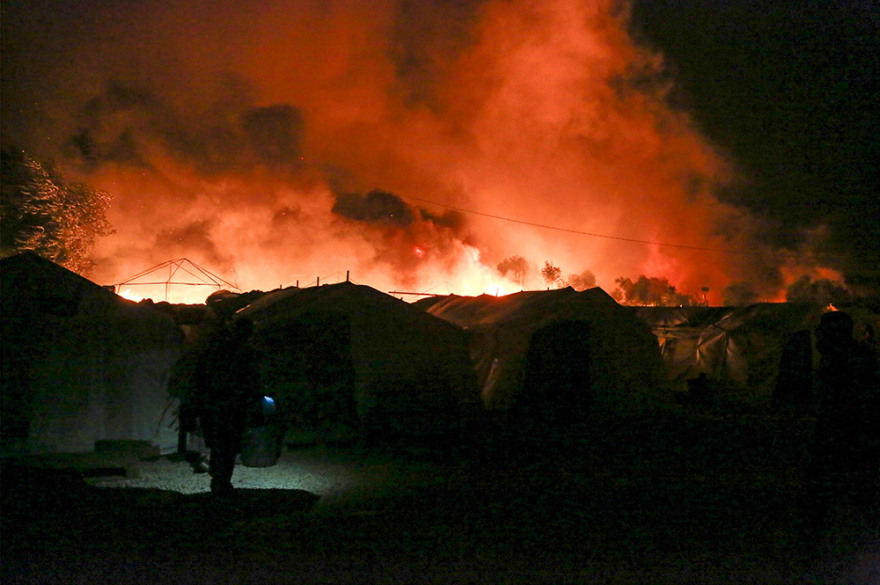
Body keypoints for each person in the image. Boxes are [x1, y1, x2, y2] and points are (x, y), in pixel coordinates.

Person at [802, 311, 879, 532]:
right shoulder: (852, 357)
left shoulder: (845, 361)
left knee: (829, 491)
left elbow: (850, 403)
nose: (817, 337)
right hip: (848, 437)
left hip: (845, 437)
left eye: (822, 332)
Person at [193, 316, 262, 496]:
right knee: (228, 444)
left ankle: (219, 477)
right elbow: (251, 379)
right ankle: (221, 481)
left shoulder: (217, 350)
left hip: (216, 402)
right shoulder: (244, 352)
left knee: (221, 443)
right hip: (231, 404)